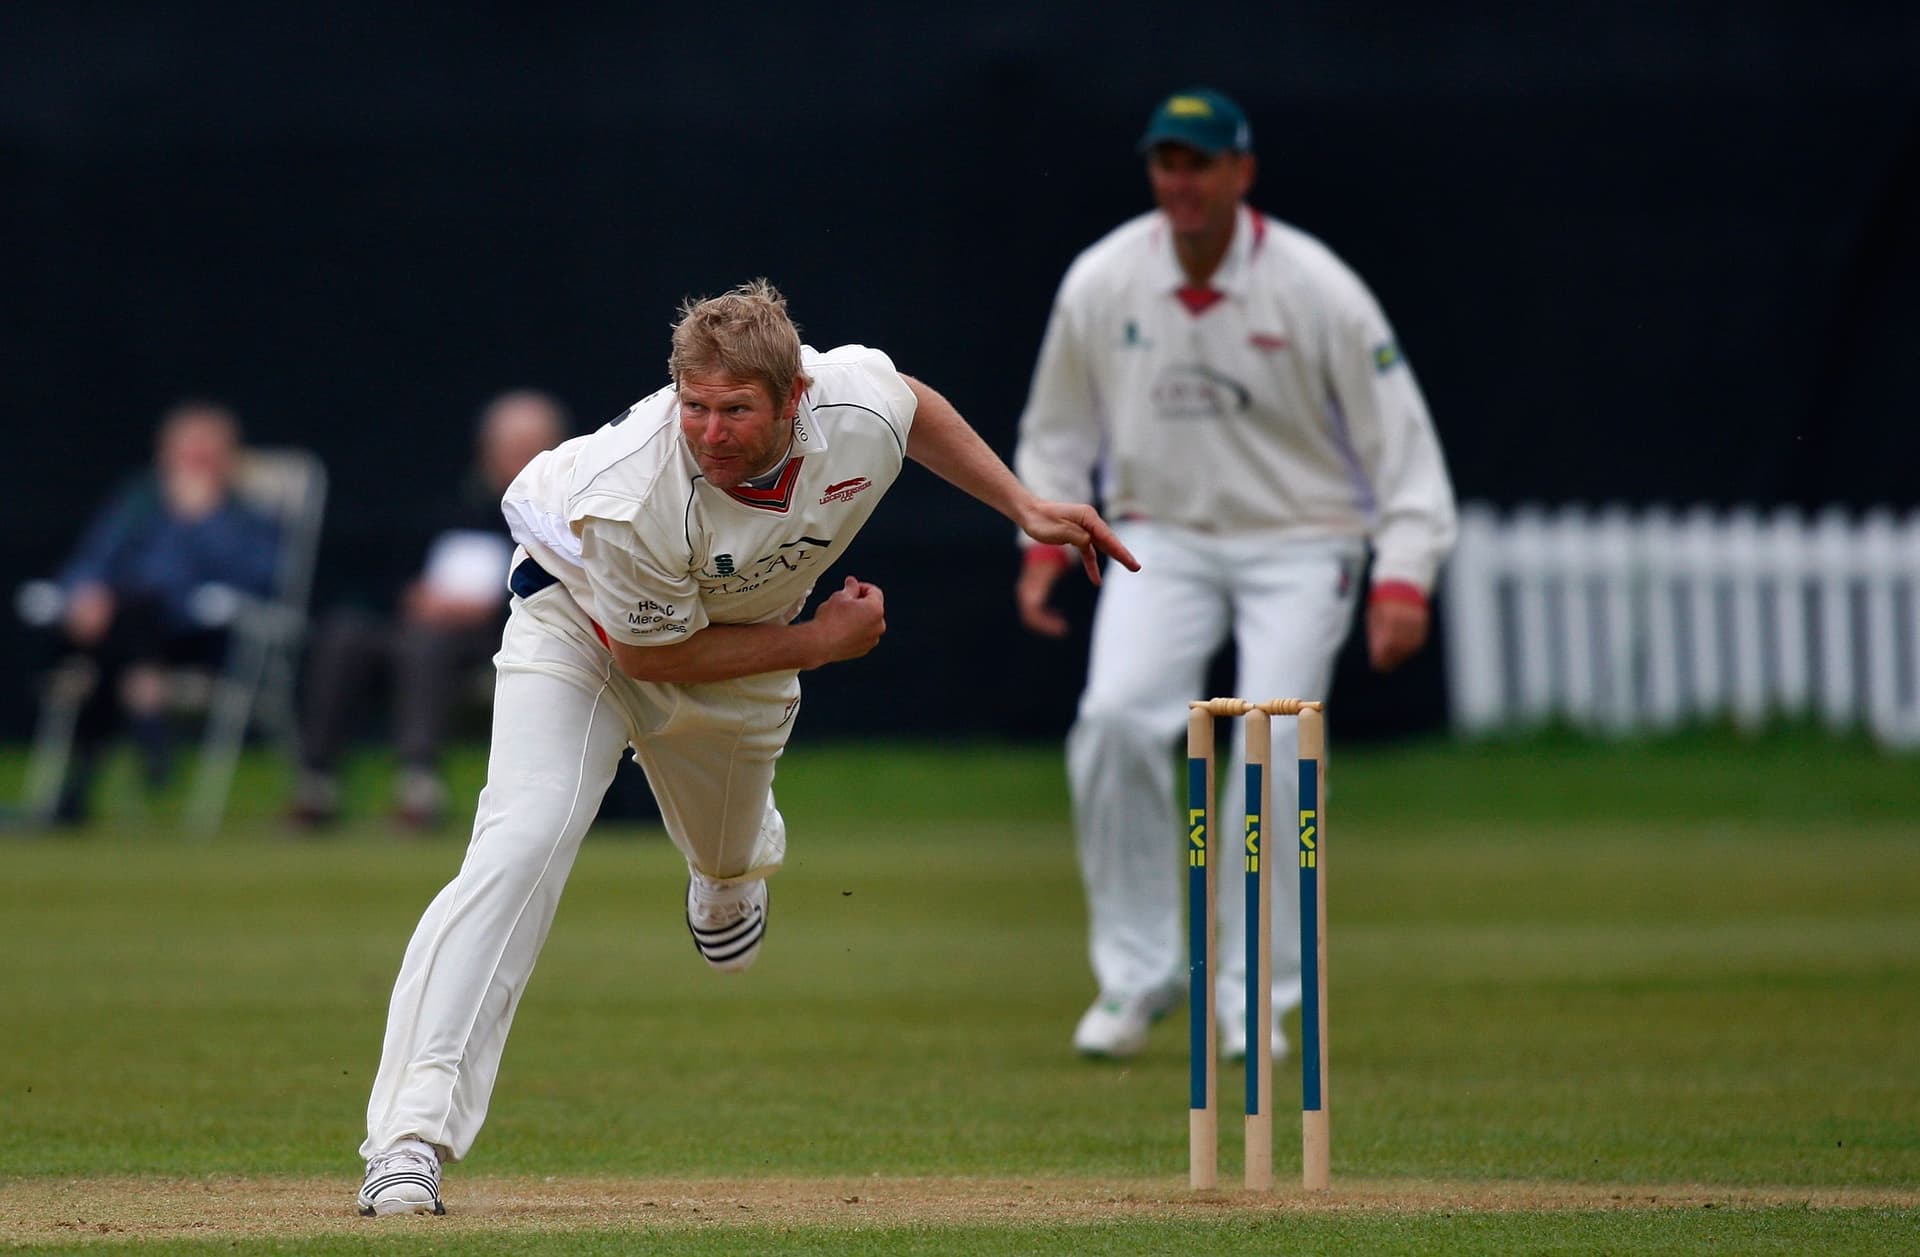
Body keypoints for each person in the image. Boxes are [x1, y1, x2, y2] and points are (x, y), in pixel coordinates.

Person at [354, 279, 1138, 1217]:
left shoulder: (849, 398)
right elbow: (647, 652)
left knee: (727, 858)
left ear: (793, 399)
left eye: (735, 409)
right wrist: (821, 644)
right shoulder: (634, 490)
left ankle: (728, 866)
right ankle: (408, 1141)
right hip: (580, 627)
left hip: (738, 650)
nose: (711, 431)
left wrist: (1024, 504)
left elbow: (916, 405)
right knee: (519, 846)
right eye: (694, 406)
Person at [1012, 88, 1458, 1060]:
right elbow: (1057, 430)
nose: (1182, 182)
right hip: (1157, 537)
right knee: (1116, 721)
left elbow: (1403, 443)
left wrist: (1405, 574)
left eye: (1200, 163)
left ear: (1241, 173)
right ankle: (1137, 977)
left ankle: (1256, 992)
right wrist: (1045, 540)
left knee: (1275, 745)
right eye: (1167, 163)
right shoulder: (1103, 281)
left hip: (1304, 540)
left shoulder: (1318, 288)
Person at [292, 391, 568, 828]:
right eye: (508, 447)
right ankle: (316, 780)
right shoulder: (448, 506)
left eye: (529, 448)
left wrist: (487, 607)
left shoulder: (564, 516)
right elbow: (390, 573)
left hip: (504, 637)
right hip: (416, 625)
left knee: (426, 645)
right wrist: (414, 596)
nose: (517, 459)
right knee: (345, 633)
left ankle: (418, 784)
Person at [44, 399, 282, 823]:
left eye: (204, 455)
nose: (192, 465)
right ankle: (145, 707)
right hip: (124, 631)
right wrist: (83, 593)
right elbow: (90, 561)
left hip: (199, 637)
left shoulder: (247, 514)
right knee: (125, 618)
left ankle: (75, 789)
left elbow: (257, 581)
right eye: (185, 453)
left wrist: (203, 521)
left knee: (130, 620)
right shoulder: (139, 504)